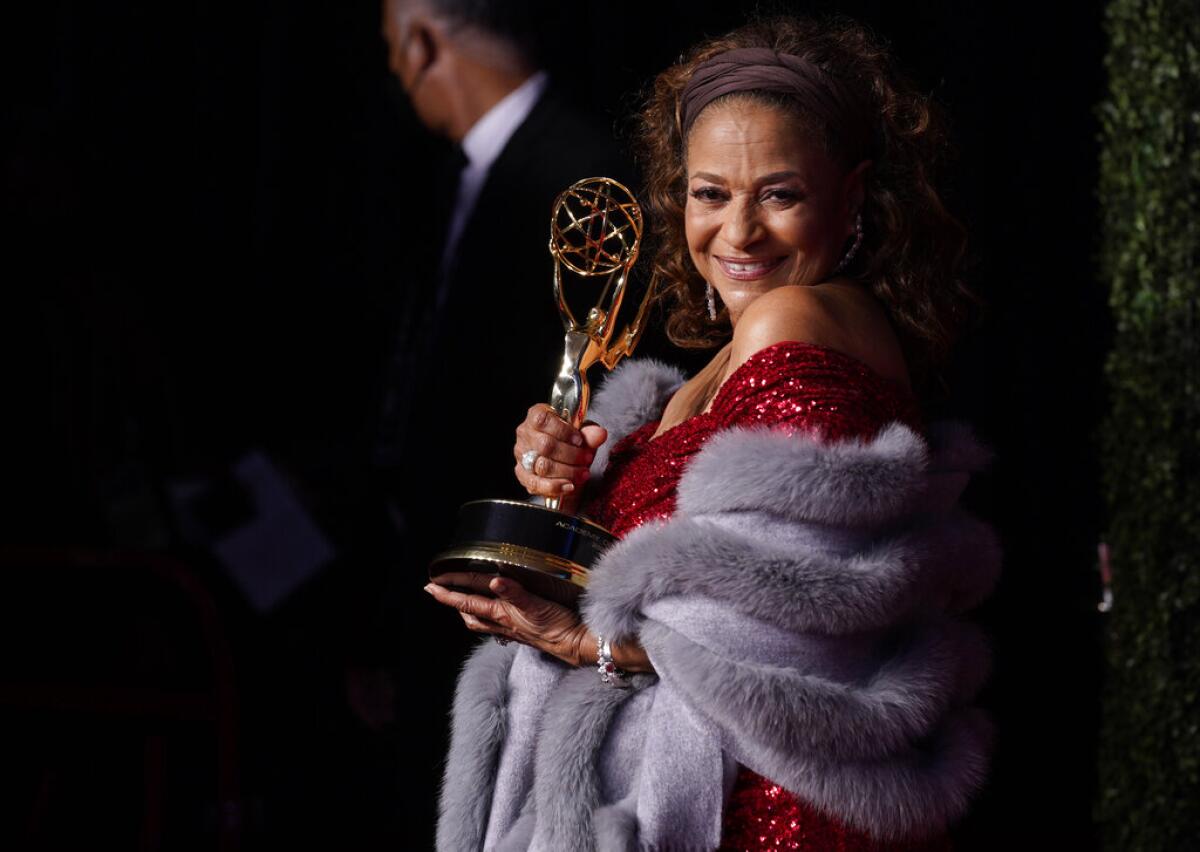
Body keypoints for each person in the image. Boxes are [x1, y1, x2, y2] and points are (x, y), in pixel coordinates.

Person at [425, 14, 1001, 851]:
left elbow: (800, 616)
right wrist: (570, 495)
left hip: (767, 814)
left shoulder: (793, 318)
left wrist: (584, 640)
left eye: (779, 193)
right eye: (710, 193)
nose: (738, 233)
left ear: (850, 200)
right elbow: (718, 572)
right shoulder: (713, 369)